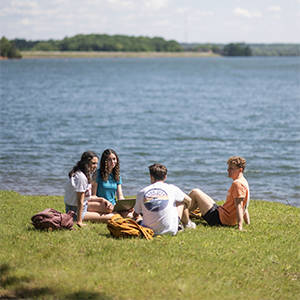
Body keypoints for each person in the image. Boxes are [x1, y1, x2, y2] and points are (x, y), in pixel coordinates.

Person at [188, 156, 250, 231]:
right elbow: (244, 206)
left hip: (220, 219)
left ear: (240, 170)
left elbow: (240, 206)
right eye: (228, 168)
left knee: (195, 192)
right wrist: (247, 223)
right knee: (198, 198)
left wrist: (240, 227)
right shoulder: (244, 181)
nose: (228, 170)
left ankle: (180, 214)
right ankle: (186, 213)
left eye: (231, 168)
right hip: (223, 214)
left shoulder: (237, 184)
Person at [132, 164, 196, 235]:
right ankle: (187, 224)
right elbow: (189, 200)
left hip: (148, 231)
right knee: (182, 202)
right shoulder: (172, 188)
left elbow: (135, 214)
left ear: (151, 177)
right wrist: (186, 209)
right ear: (165, 177)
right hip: (171, 231)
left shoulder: (142, 192)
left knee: (139, 217)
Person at [64, 151, 115, 227]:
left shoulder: (86, 175)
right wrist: (79, 221)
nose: (95, 166)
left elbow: (86, 197)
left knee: (110, 209)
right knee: (113, 216)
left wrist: (102, 200)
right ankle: (78, 218)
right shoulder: (80, 177)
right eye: (93, 163)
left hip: (85, 206)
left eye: (96, 163)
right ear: (86, 163)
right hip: (75, 211)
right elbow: (80, 202)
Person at [90, 149, 131, 219]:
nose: (112, 162)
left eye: (114, 159)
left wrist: (127, 206)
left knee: (129, 215)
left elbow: (120, 196)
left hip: (113, 204)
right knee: (115, 214)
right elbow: (93, 195)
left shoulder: (117, 175)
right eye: (109, 159)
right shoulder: (97, 173)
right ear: (105, 161)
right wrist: (104, 201)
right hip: (101, 203)